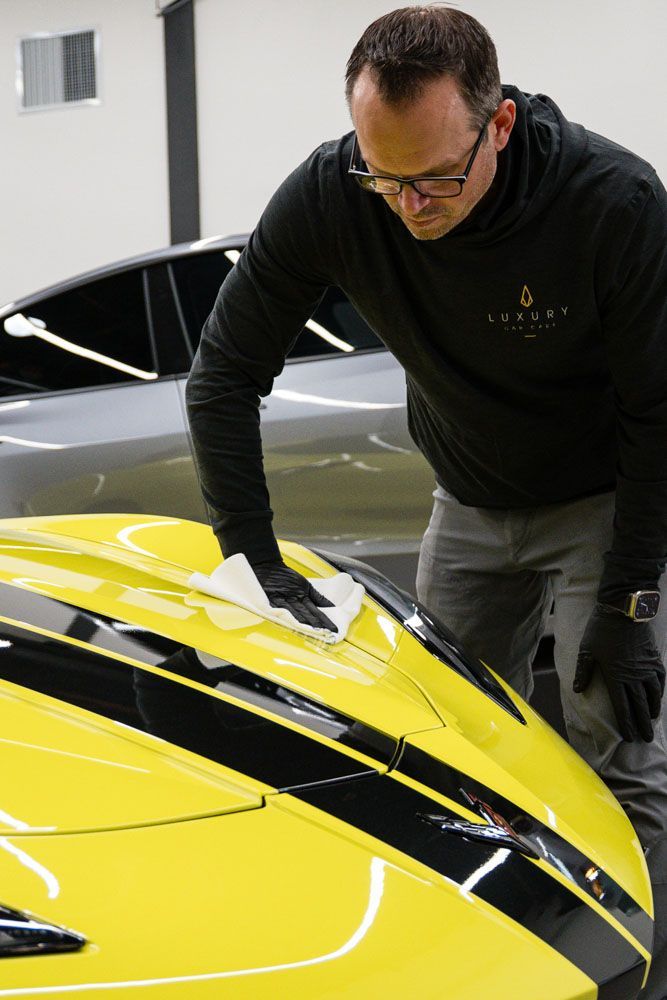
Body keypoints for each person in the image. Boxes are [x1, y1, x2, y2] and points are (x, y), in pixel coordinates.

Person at [186, 7, 666, 995]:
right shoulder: (333, 191)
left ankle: (634, 978)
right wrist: (253, 555)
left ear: (496, 123)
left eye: (435, 177)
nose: (409, 206)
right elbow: (224, 371)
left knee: (616, 751)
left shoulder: (610, 199)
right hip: (468, 500)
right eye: (385, 176)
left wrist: (631, 603)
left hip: (602, 502)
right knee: (427, 756)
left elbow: (660, 412)